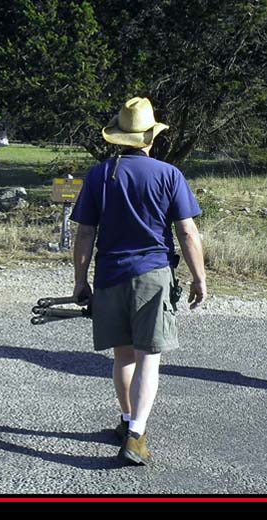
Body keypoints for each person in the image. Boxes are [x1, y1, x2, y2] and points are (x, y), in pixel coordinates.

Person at [70, 96, 207, 466]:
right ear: (151, 137)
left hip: (111, 274)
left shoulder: (99, 175)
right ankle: (136, 435)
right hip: (153, 275)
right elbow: (187, 232)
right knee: (150, 357)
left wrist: (80, 280)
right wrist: (199, 278)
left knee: (123, 354)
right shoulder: (168, 175)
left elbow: (85, 233)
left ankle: (129, 420)